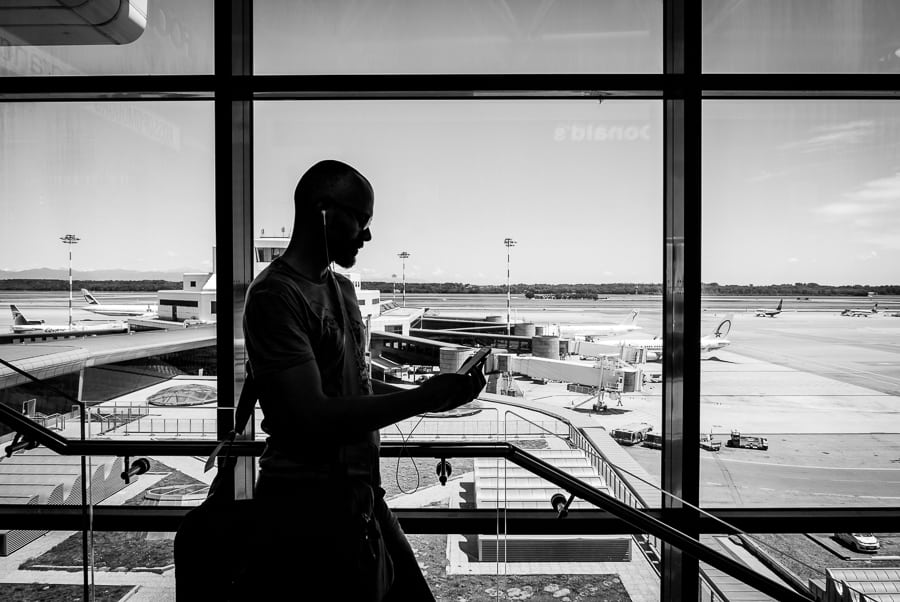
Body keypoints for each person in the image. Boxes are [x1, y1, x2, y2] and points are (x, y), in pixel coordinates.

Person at [238, 160, 485, 601]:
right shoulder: (275, 295)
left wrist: (431, 396)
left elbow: (357, 388)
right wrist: (421, 400)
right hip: (307, 507)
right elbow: (309, 415)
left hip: (362, 495)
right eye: (361, 219)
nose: (368, 236)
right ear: (323, 211)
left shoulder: (343, 290)